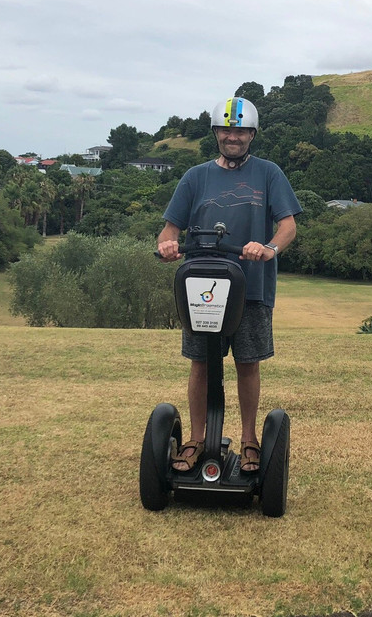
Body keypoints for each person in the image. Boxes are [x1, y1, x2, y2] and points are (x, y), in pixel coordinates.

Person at [156, 96, 301, 474]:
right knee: (201, 364)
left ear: (251, 134)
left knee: (247, 363)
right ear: (216, 133)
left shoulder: (269, 174)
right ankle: (197, 438)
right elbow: (170, 229)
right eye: (226, 130)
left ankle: (251, 439)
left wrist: (268, 248)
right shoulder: (196, 177)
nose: (232, 136)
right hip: (201, 290)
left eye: (240, 130)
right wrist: (167, 245)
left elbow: (288, 226)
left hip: (250, 288)